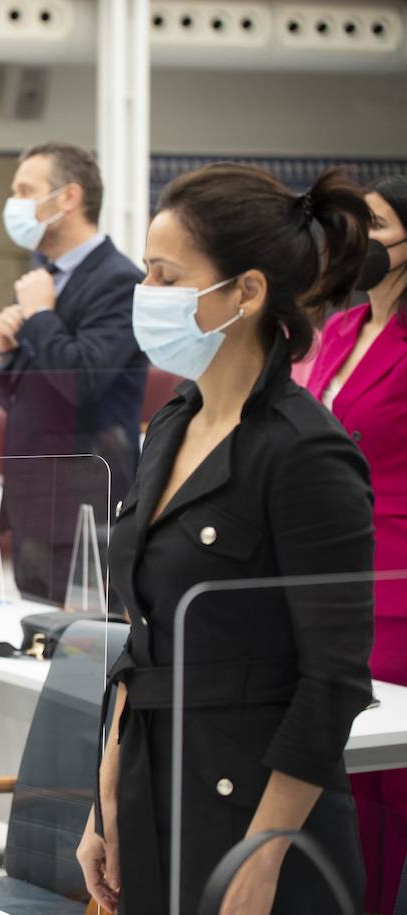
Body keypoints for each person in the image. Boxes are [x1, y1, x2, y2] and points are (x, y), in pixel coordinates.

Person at [78, 165, 375, 915]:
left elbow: (331, 683)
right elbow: (144, 634)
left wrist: (266, 850)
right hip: (155, 788)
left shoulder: (305, 452)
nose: (144, 290)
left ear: (246, 292)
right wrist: (105, 791)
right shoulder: (173, 420)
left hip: (255, 815)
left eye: (165, 274)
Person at [0, 142, 147, 604]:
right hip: (34, 502)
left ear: (68, 197)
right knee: (32, 656)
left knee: (80, 663)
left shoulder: (119, 281)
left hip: (84, 510)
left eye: (25, 190)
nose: (14, 202)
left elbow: (83, 380)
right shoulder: (45, 276)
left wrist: (38, 318)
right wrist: (1, 355)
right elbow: (30, 396)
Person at [306, 173, 407, 915]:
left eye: (376, 225)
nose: (362, 241)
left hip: (395, 575)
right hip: (329, 565)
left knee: (377, 776)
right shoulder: (341, 327)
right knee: (329, 766)